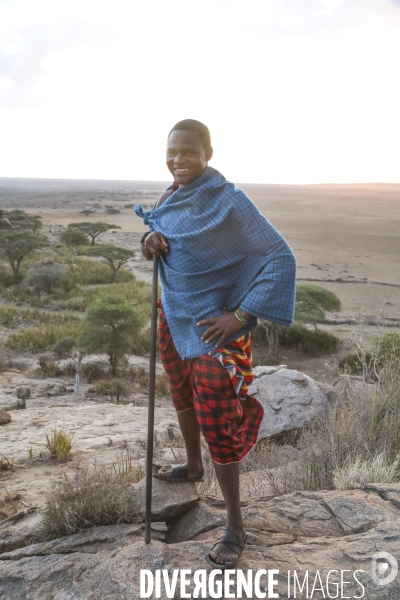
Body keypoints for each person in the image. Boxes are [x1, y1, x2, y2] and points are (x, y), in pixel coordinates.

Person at [135, 119, 296, 568]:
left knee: (216, 417)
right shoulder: (171, 195)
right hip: (173, 314)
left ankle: (235, 526)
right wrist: (149, 240)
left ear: (208, 152)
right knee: (181, 393)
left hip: (213, 329)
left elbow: (279, 255)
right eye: (172, 152)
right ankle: (191, 466)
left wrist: (241, 316)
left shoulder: (229, 200)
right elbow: (161, 241)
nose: (178, 160)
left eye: (188, 152)